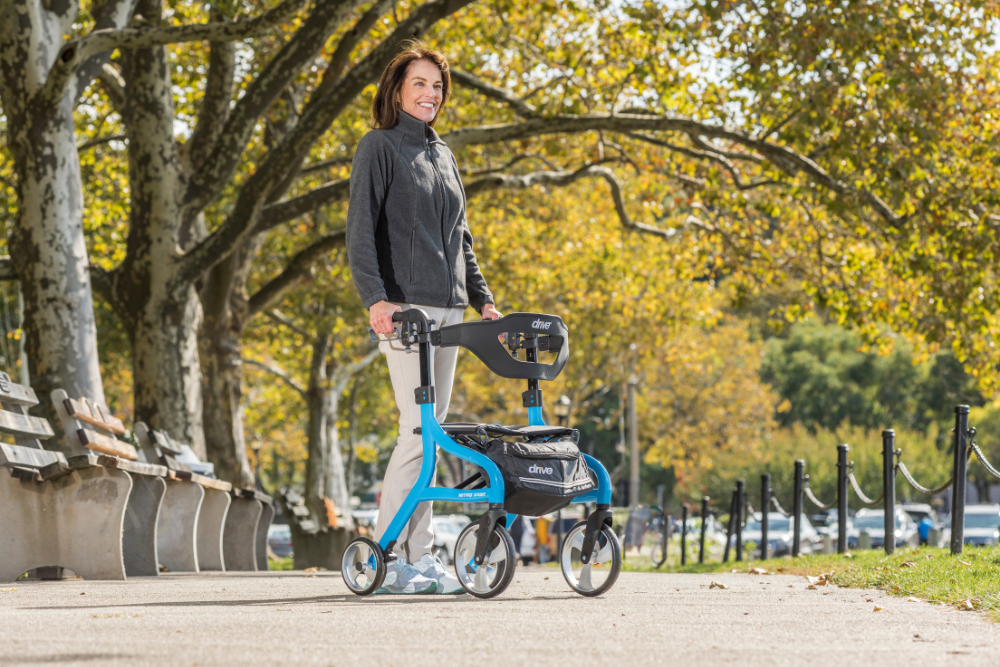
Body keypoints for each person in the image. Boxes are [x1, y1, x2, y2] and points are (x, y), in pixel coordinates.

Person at [346, 43, 501, 594]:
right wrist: (376, 299)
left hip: (450, 308)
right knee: (416, 432)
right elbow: (360, 231)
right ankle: (387, 560)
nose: (430, 94)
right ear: (395, 90)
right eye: (420, 83)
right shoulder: (379, 147)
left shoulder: (444, 155)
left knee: (431, 438)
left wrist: (482, 298)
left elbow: (461, 238)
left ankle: (421, 555)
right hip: (406, 310)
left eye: (437, 86)